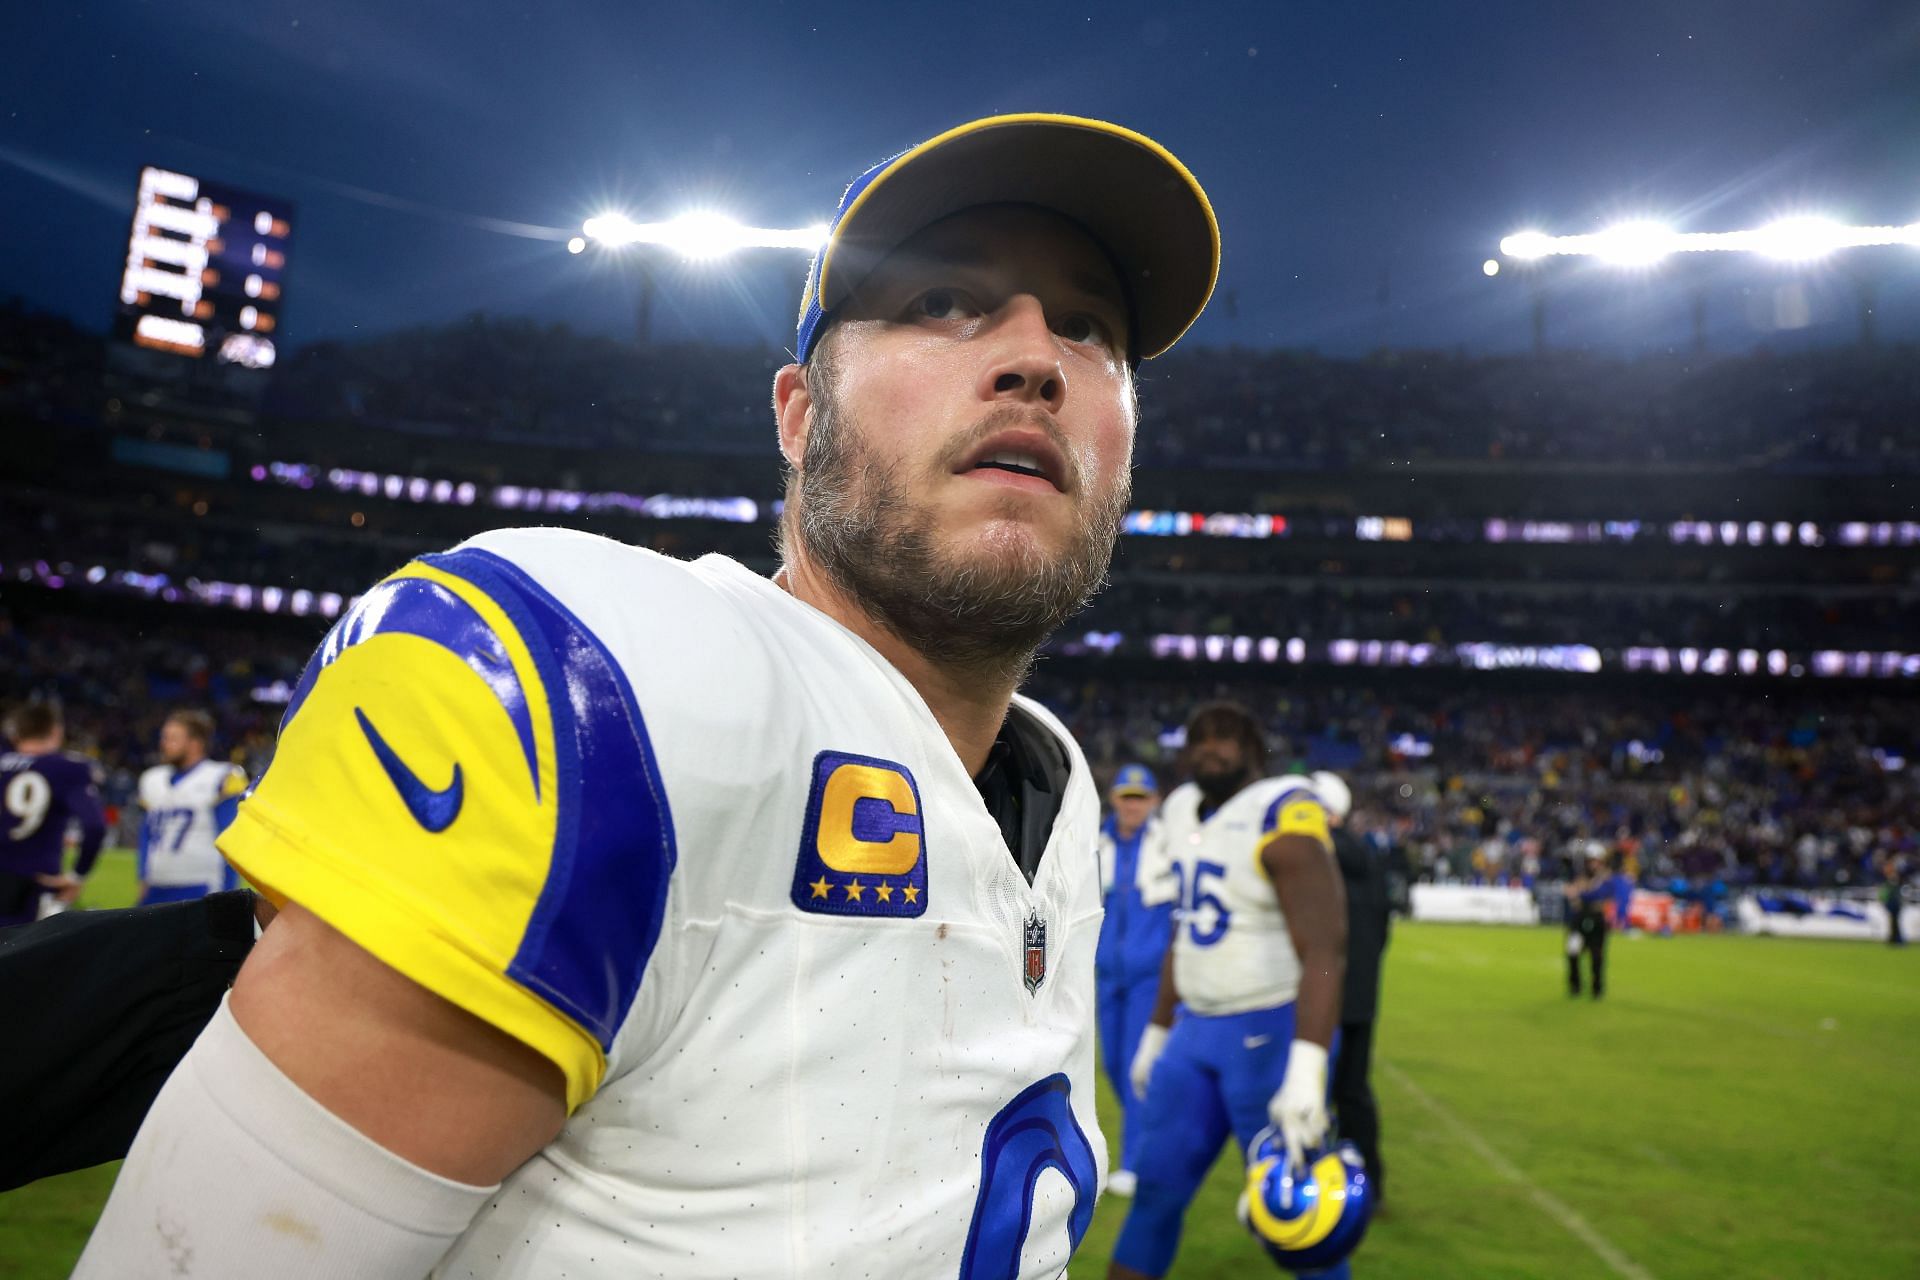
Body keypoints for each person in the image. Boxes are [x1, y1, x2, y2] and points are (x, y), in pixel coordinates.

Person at [78, 111, 1222, 1279]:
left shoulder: (1059, 785)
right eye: (945, 304)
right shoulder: (612, 688)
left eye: (1088, 328)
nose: (1035, 357)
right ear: (798, 414)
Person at [1109, 704, 1350, 1280]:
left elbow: (1326, 943)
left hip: (1269, 1032)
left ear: (1253, 752)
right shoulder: (1183, 811)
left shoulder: (1281, 810)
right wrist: (1158, 1030)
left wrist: (1307, 1067)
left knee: (1299, 1222)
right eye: (1198, 739)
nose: (1209, 748)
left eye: (1226, 739)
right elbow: (1186, 930)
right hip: (1194, 1035)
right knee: (1153, 1198)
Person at [1095, 762, 1176, 1196]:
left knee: (1133, 1067)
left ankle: (1136, 1164)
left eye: (1141, 798)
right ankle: (1157, 1133)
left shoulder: (1170, 846)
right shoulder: (1097, 843)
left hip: (1150, 978)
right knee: (1112, 1066)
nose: (1133, 805)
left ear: (1154, 801)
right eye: (1127, 797)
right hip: (1107, 976)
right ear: (1114, 800)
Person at [1318, 768, 1390, 1207]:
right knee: (1354, 1093)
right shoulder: (1370, 858)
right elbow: (1383, 932)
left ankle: (1311, 1189)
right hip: (1360, 997)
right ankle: (1368, 1186)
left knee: (1312, 1093)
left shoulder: (1317, 856)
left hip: (1321, 997)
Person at [0, 702, 107, 929]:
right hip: (31, 885)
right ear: (56, 731)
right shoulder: (66, 768)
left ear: (16, 732)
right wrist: (78, 874)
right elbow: (95, 826)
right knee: (24, 958)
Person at [136, 709, 250, 904]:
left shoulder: (220, 776)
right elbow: (147, 833)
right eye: (164, 737)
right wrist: (143, 876)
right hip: (157, 884)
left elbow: (229, 838)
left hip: (200, 883)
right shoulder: (152, 779)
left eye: (173, 738)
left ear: (195, 744)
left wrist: (227, 892)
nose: (164, 744)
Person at [1565, 853, 1611, 998]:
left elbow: (1597, 895)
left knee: (1597, 955)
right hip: (1579, 919)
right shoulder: (1581, 877)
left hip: (1596, 919)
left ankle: (1597, 988)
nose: (1593, 865)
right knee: (1573, 951)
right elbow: (1571, 896)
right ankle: (1575, 986)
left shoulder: (1604, 879)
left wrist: (1579, 893)